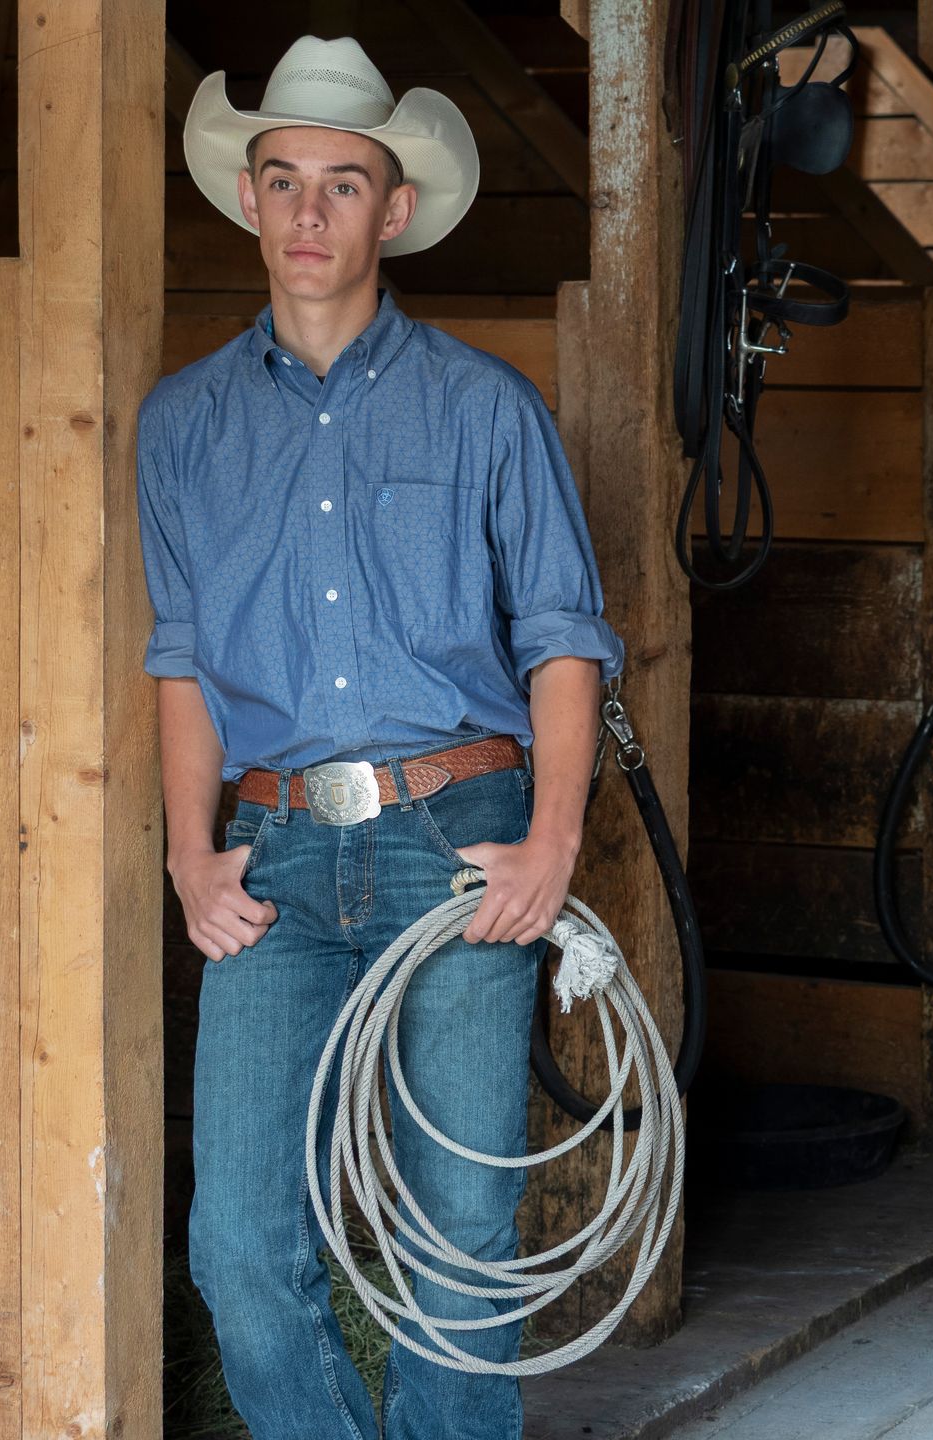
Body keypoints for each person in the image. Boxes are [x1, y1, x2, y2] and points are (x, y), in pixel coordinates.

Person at [136, 34, 624, 1440]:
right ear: (247, 198)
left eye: (342, 186)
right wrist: (190, 857)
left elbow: (562, 637)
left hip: (457, 839)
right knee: (237, 1243)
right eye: (281, 180)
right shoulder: (184, 428)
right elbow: (184, 665)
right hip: (274, 853)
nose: (307, 214)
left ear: (393, 212)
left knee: (461, 1231)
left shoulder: (486, 409)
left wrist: (551, 839)